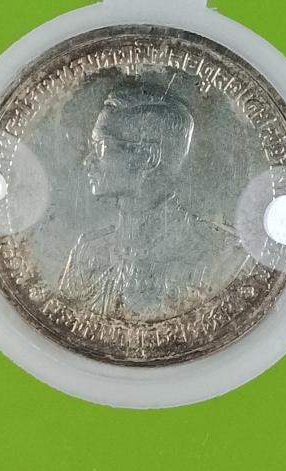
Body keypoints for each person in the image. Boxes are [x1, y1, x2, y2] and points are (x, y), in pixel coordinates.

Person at [59, 84, 247, 320]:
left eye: (102, 147)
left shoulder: (222, 253)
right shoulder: (88, 251)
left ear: (148, 157)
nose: (88, 161)